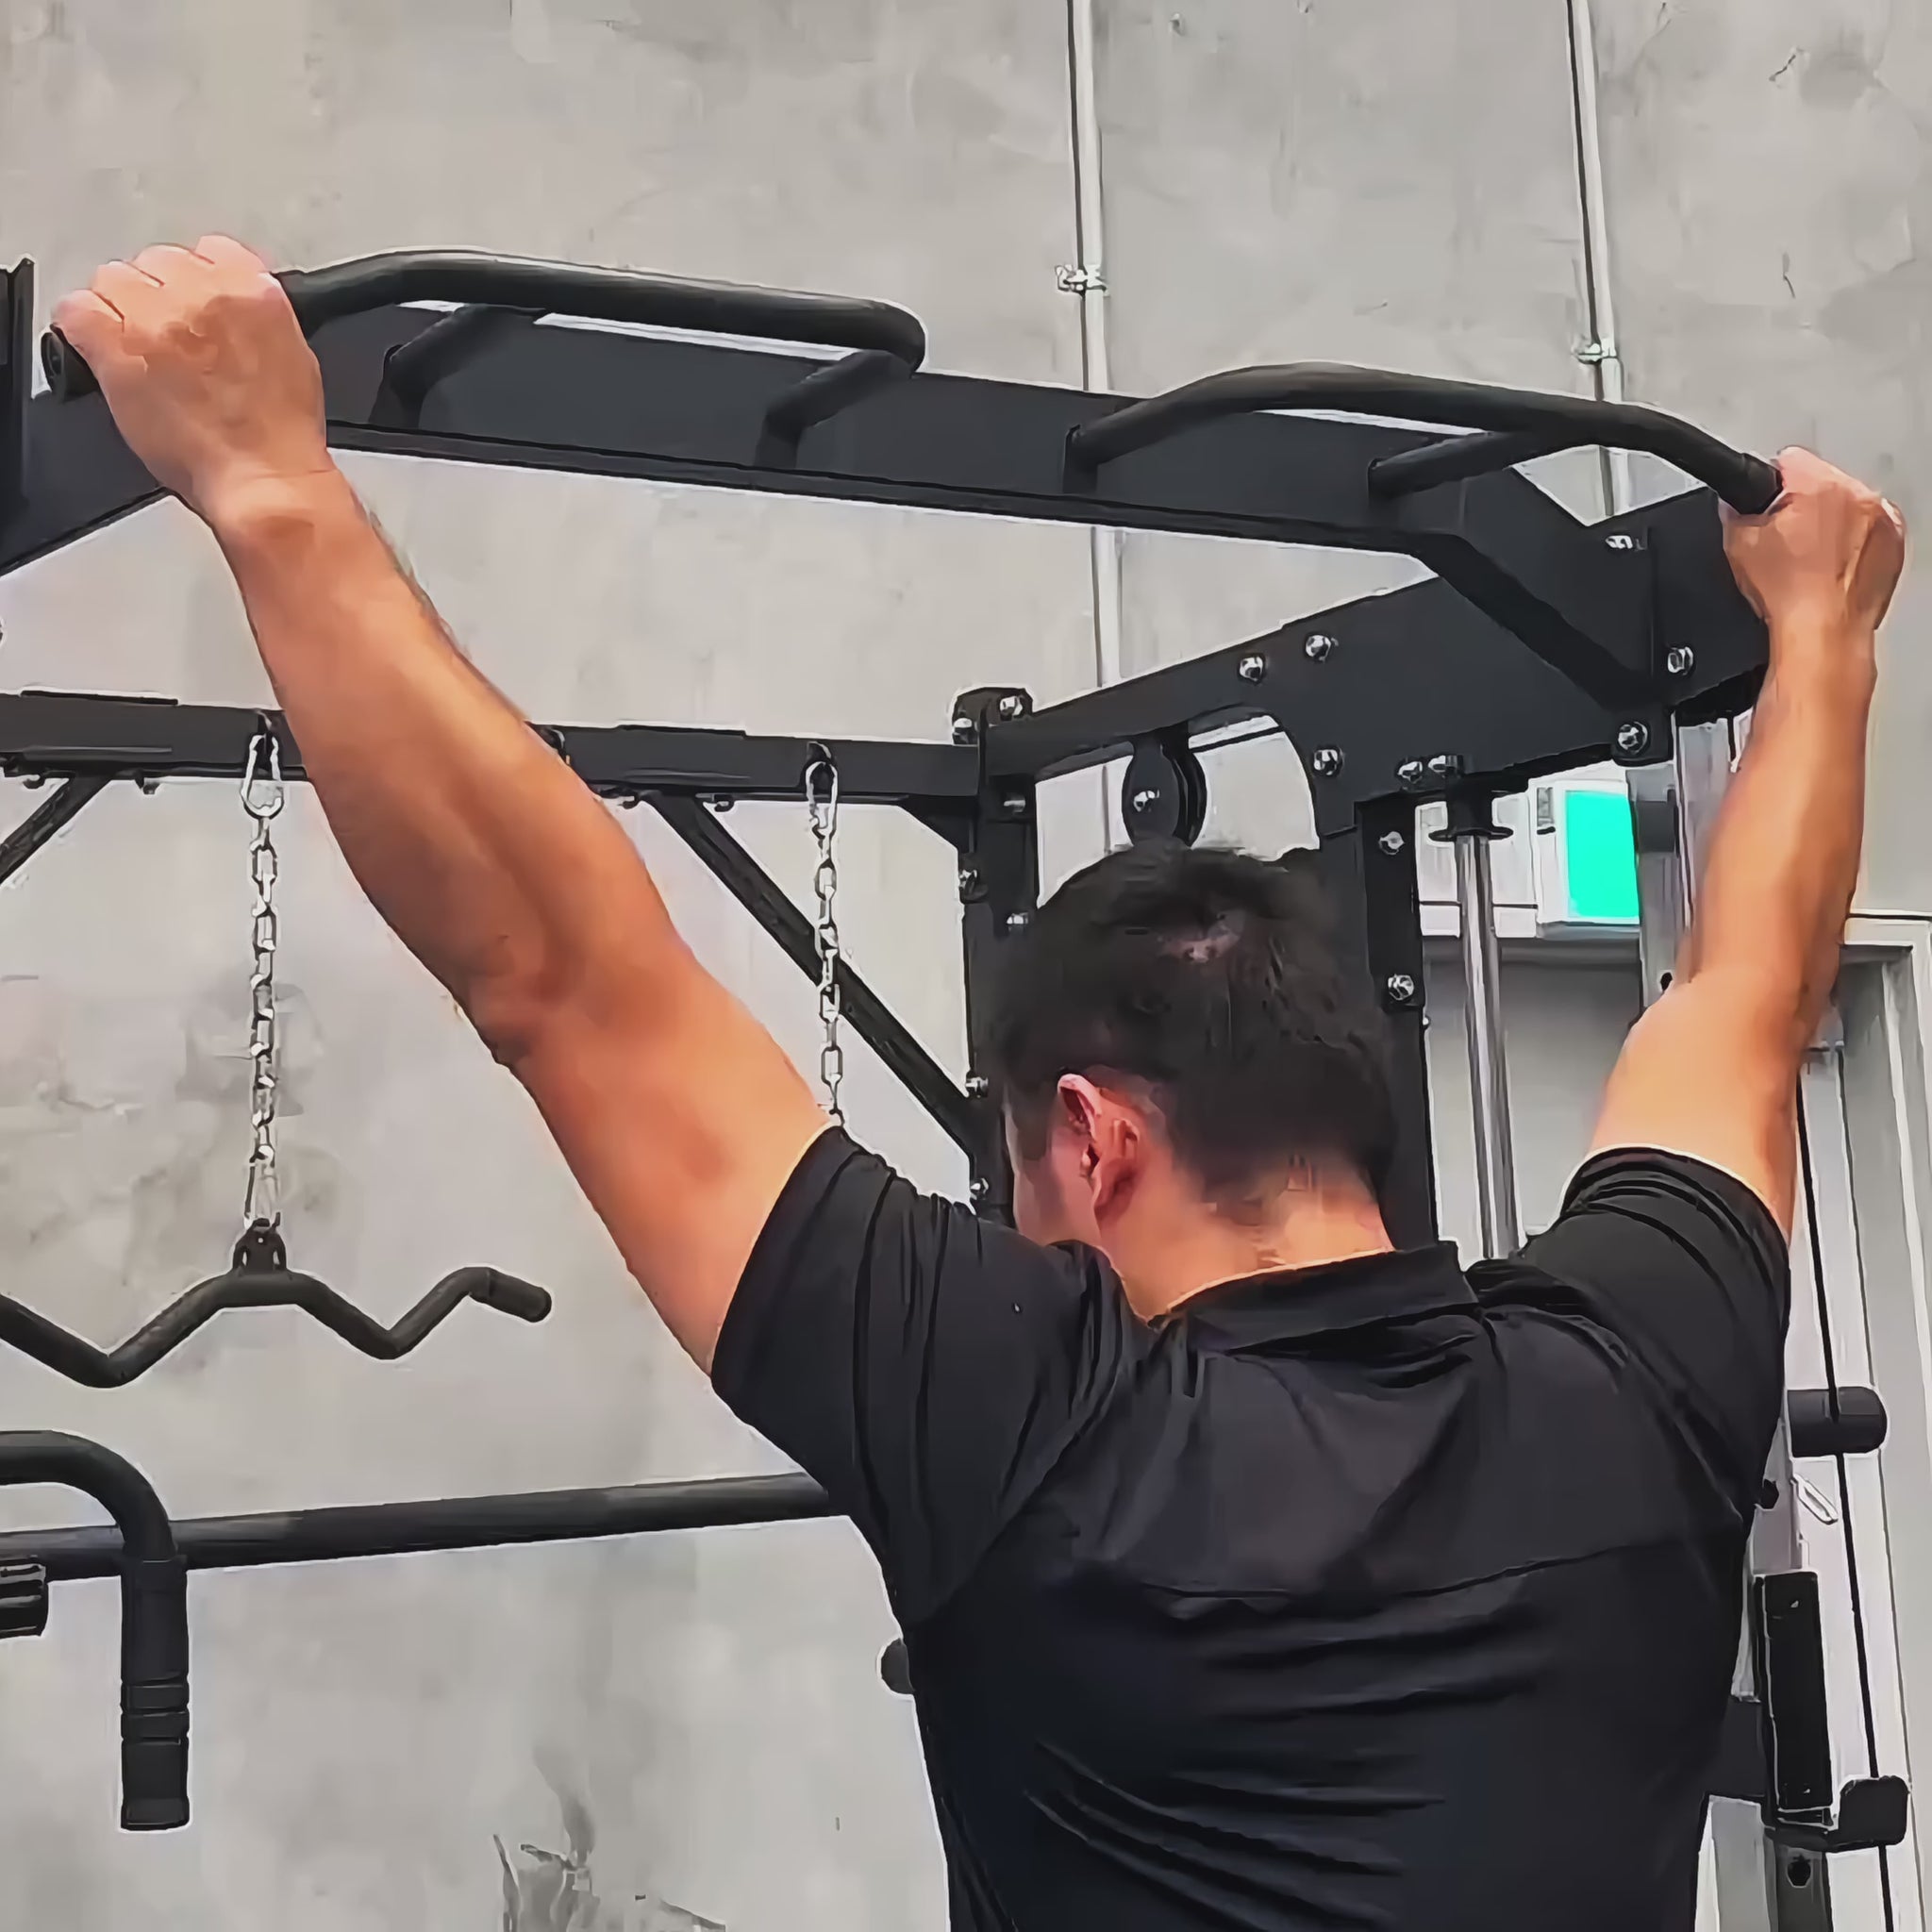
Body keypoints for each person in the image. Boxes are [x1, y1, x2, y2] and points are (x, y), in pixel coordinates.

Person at [55, 239, 1905, 1932]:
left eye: (1012, 1175)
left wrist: (269, 479)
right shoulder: (1636, 1370)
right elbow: (1750, 997)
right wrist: (1822, 639)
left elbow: (561, 975)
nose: (1013, 1227)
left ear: (1092, 1137)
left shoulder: (1049, 1432)